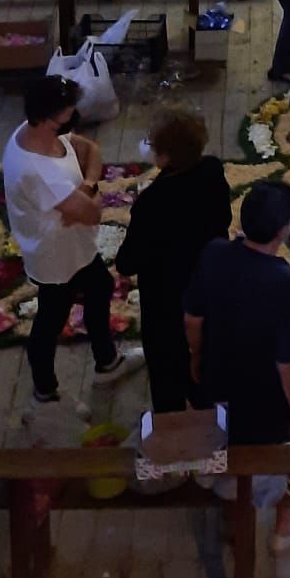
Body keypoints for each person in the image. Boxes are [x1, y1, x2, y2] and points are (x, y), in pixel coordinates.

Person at [184, 180, 290, 556]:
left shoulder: (213, 253)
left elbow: (192, 318)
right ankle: (286, 522)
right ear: (285, 229)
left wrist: (195, 357)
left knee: (226, 434)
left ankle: (230, 505)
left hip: (218, 380)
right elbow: (289, 363)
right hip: (265, 404)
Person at [1, 74, 138, 405]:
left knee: (99, 288)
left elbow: (90, 149)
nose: (74, 119)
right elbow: (93, 214)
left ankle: (106, 361)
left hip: (73, 244)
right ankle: (45, 391)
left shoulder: (38, 132)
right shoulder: (37, 170)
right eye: (68, 113)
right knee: (51, 319)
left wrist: (85, 187)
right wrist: (88, 194)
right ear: (49, 117)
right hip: (55, 254)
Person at [114, 106, 231, 413]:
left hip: (166, 300)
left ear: (164, 157)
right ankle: (208, 416)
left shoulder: (153, 202)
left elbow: (128, 262)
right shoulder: (212, 171)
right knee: (203, 361)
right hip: (207, 286)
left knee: (167, 373)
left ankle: (171, 428)